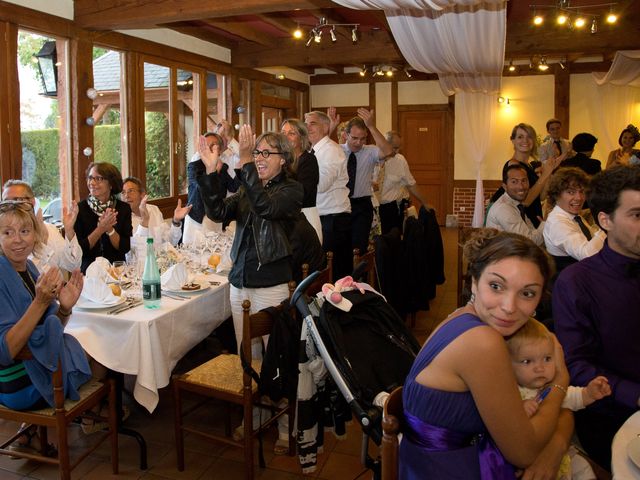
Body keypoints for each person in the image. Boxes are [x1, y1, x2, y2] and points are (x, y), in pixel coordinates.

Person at [401, 230, 571, 478]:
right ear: (473, 282)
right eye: (496, 286)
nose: (509, 307)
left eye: (527, 293)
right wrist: (560, 383)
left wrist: (557, 439)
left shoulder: (462, 315)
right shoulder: (482, 341)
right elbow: (524, 452)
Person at [554, 165, 640, 471]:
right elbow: (576, 366)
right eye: (637, 215)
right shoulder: (576, 282)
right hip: (612, 414)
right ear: (605, 221)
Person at [0, 200, 91, 452]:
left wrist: (64, 308)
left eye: (24, 231)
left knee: (101, 351)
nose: (17, 240)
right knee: (104, 359)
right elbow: (5, 351)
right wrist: (40, 302)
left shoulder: (28, 268)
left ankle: (33, 433)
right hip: (18, 384)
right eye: (7, 233)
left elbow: (49, 331)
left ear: (35, 235)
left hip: (35, 367)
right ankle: (88, 422)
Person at [506, 318, 610, 480]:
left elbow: (571, 397)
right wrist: (520, 409)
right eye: (527, 361)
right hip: (528, 462)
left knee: (583, 468)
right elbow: (503, 422)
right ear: (507, 365)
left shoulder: (549, 388)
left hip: (561, 458)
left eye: (547, 359)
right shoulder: (511, 392)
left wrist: (589, 393)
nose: (540, 368)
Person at [334, 108, 393, 255]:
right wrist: (330, 127)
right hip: (341, 205)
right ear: (345, 135)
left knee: (358, 249)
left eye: (362, 138)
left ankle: (358, 277)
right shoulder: (336, 150)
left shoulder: (370, 151)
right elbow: (315, 152)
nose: (358, 142)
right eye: (354, 138)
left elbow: (387, 151)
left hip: (362, 206)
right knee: (341, 249)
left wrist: (371, 126)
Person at [304, 110, 352, 280]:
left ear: (326, 127)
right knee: (324, 271)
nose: (307, 127)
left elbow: (321, 185)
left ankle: (337, 307)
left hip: (334, 220)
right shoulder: (313, 151)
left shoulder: (331, 150)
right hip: (323, 218)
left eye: (313, 123)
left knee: (335, 275)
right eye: (306, 123)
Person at [490, 123, 563, 227]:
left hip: (534, 217)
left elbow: (541, 197)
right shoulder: (513, 165)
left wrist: (550, 170)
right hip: (521, 221)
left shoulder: (529, 166)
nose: (525, 140)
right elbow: (525, 201)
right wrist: (545, 174)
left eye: (529, 136)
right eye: (520, 137)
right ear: (513, 140)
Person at [2, 180, 81, 273]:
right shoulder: (4, 237)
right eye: (6, 202)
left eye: (16, 200)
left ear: (32, 202)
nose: (11, 206)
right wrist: (42, 244)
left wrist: (69, 231)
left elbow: (73, 265)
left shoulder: (50, 230)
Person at [543, 168, 605, 272]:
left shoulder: (574, 216)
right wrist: (607, 226)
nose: (579, 198)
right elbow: (586, 254)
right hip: (574, 282)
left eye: (582, 192)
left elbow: (592, 237)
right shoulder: (557, 223)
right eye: (571, 192)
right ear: (557, 194)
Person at [75, 162, 132, 273]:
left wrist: (110, 230)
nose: (92, 182)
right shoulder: (79, 209)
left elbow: (125, 247)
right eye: (90, 178)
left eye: (99, 179)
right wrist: (100, 229)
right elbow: (80, 251)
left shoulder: (123, 208)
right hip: (89, 273)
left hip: (118, 271)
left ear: (111, 184)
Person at [374, 131, 429, 234]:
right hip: (375, 209)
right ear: (385, 144)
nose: (397, 151)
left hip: (393, 208)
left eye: (399, 148)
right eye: (395, 148)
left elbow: (411, 183)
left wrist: (424, 202)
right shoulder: (372, 157)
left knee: (393, 240)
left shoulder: (400, 160)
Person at [281, 118, 322, 243]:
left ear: (302, 138)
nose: (286, 137)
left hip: (305, 218)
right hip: (287, 218)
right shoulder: (283, 161)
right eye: (283, 133)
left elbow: (303, 193)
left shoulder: (308, 160)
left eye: (291, 133)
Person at [121, 176, 191, 246]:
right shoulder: (121, 218)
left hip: (160, 256)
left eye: (131, 191)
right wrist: (144, 221)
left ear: (142, 195)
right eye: (123, 192)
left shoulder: (154, 210)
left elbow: (170, 242)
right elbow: (134, 251)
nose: (126, 196)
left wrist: (176, 221)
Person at [485, 164, 545, 246]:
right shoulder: (504, 208)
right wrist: (545, 224)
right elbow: (529, 243)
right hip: (503, 257)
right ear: (505, 186)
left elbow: (532, 232)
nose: (521, 186)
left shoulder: (517, 204)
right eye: (514, 182)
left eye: (524, 181)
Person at [184, 132, 225, 244]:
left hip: (214, 220)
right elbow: (197, 188)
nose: (208, 148)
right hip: (195, 219)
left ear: (220, 150)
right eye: (206, 145)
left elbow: (235, 187)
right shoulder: (194, 165)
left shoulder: (224, 166)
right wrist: (212, 171)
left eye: (213, 145)